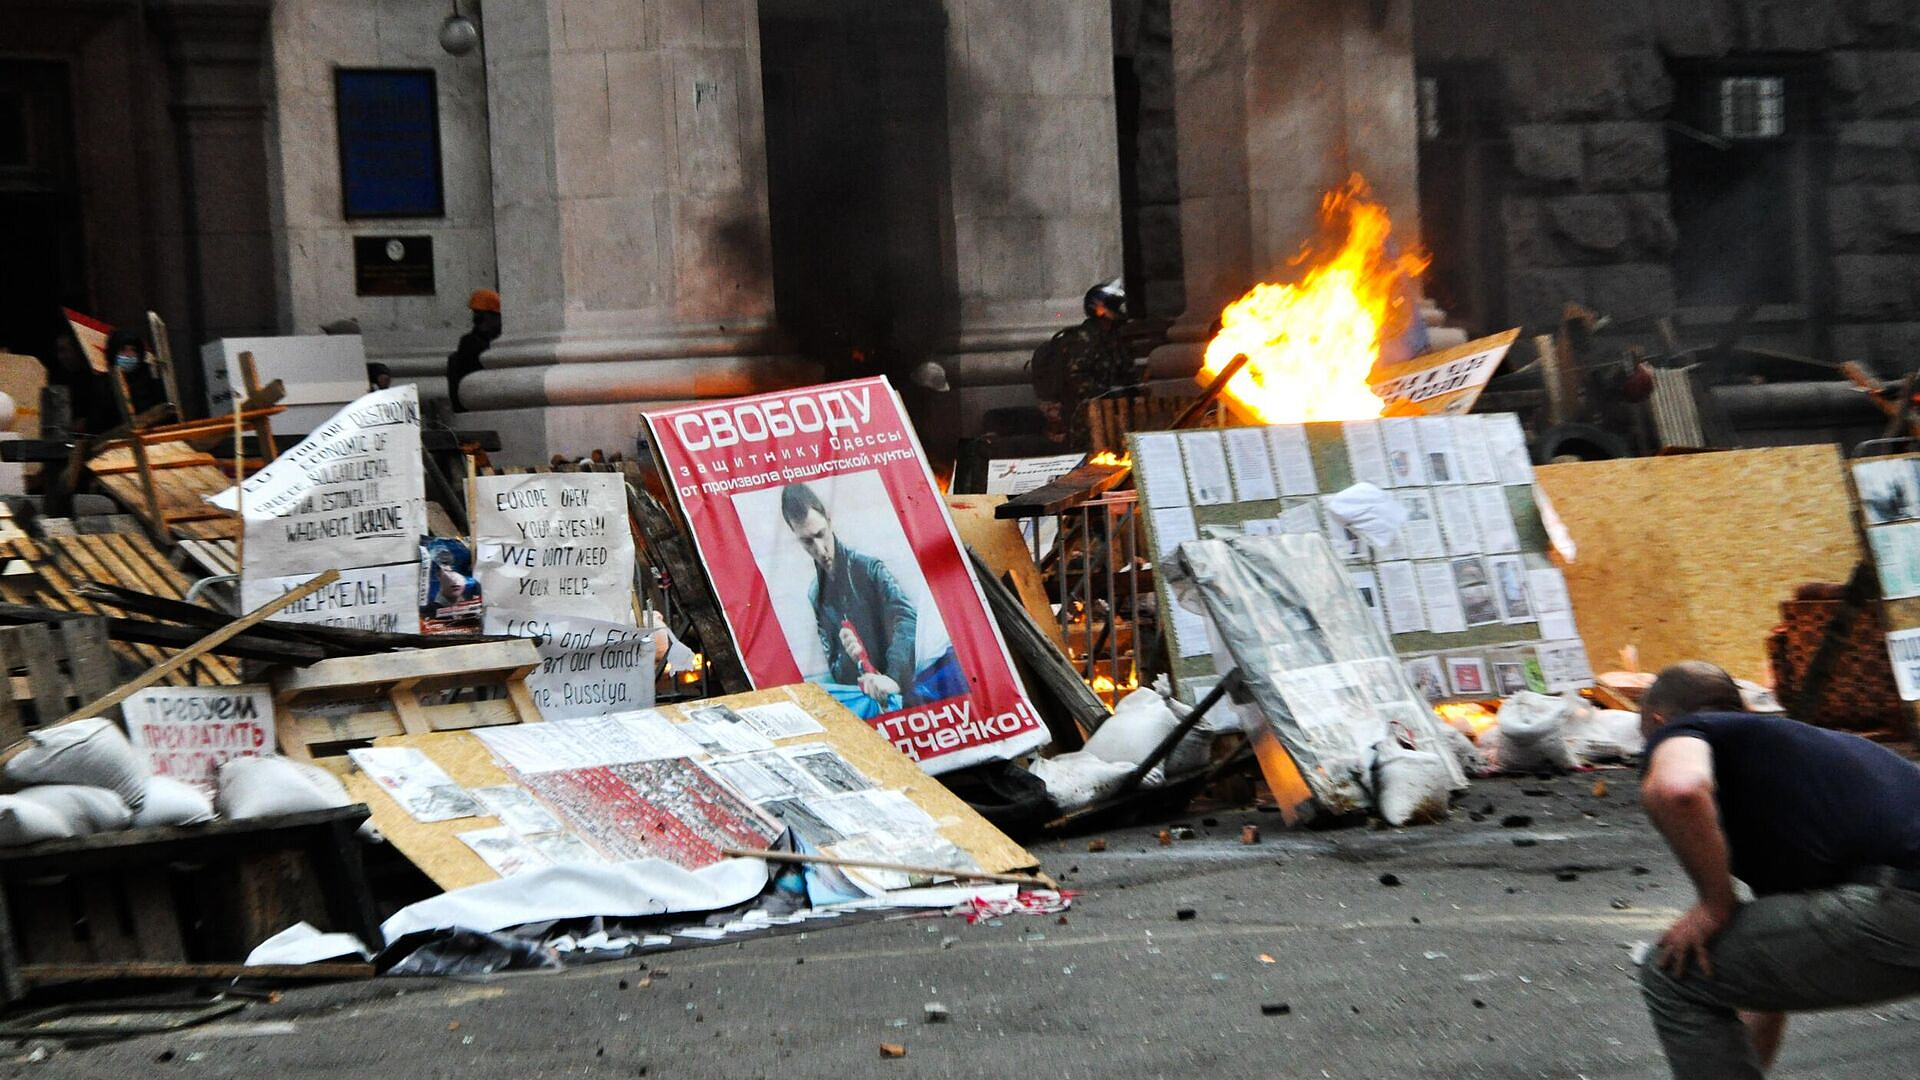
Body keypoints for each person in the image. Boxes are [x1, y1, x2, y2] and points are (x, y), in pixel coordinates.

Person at [1636, 660, 1920, 1079]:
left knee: (1673, 975)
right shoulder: (1803, 756)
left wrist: (1715, 904)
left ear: (1657, 720)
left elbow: (1679, 788)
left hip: (1903, 897)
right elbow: (1766, 988)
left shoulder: (1688, 730)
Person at [1027, 278, 1134, 449]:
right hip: (1082, 415)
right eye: (1115, 306)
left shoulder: (1112, 338)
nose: (1120, 311)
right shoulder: (1082, 340)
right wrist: (1107, 392)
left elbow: (1125, 370)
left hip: (1108, 411)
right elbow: (1077, 377)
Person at [447, 288, 501, 412]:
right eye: (477, 314)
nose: (477, 318)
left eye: (480, 314)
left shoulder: (498, 341)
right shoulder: (470, 342)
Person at [104, 329, 168, 420]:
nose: (128, 355)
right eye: (123, 350)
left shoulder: (151, 380)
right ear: (113, 353)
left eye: (133, 350)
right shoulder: (105, 384)